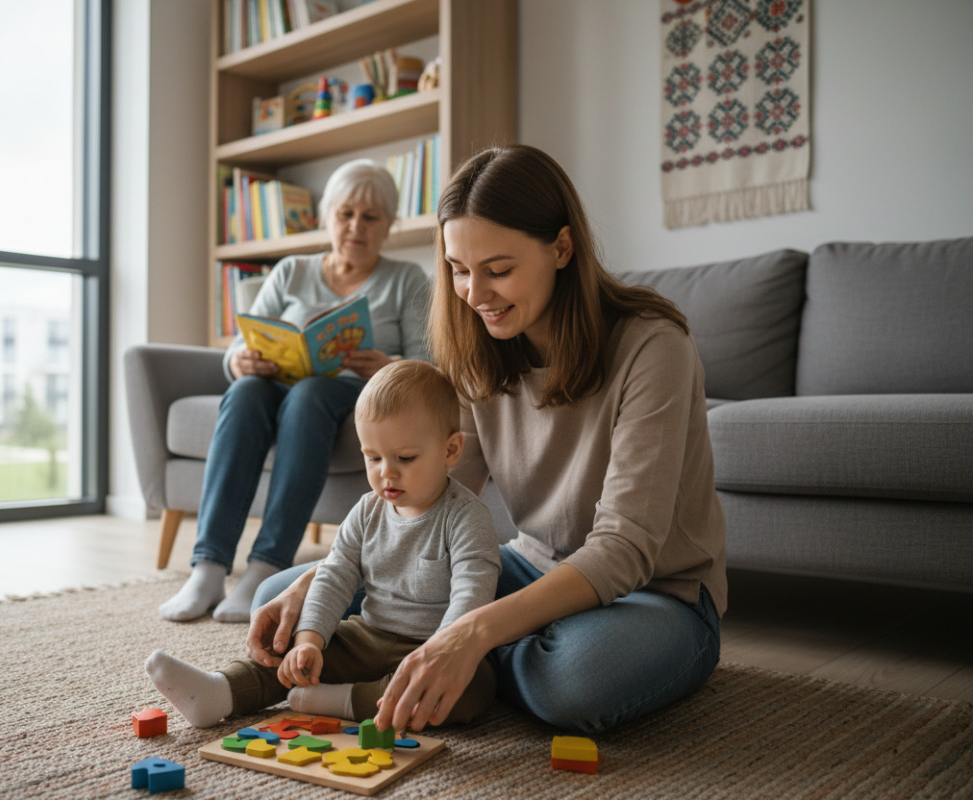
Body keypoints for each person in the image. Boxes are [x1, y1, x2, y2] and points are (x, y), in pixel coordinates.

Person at [244, 144, 728, 736]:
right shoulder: (480, 350)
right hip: (530, 566)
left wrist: (470, 632)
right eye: (458, 269)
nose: (475, 295)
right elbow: (432, 493)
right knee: (282, 597)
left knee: (572, 681)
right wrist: (312, 584)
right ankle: (456, 663)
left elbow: (625, 549)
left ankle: (448, 661)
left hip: (657, 594)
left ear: (561, 248)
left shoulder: (654, 348)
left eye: (498, 270)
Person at [145, 360, 501, 727]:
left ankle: (346, 701)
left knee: (475, 687)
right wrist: (310, 641)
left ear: (451, 450)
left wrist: (441, 653)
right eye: (373, 457)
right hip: (368, 636)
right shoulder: (368, 510)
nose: (386, 472)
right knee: (291, 657)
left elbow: (471, 596)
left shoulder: (466, 517)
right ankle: (220, 692)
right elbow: (334, 574)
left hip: (435, 647)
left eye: (405, 458)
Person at [159, 159, 431, 624]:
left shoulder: (407, 279)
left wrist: (387, 366)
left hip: (349, 395)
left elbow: (428, 367)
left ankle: (267, 565)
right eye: (346, 214)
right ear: (328, 217)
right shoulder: (290, 272)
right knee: (245, 393)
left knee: (309, 394)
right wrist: (238, 359)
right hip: (278, 386)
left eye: (371, 217)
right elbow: (244, 341)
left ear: (389, 225)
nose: (356, 227)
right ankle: (208, 566)